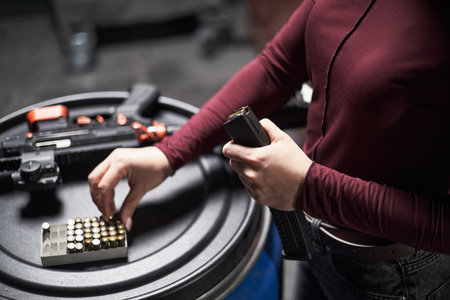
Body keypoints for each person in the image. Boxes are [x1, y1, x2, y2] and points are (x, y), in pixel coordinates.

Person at [88, 0, 450, 299]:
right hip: (317, 235)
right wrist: (168, 154)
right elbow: (278, 68)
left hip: (395, 276)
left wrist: (309, 188)